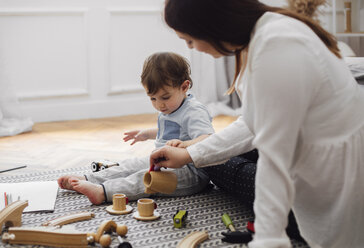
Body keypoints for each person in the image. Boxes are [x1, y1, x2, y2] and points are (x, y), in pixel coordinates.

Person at [150, 1, 364, 248]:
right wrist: (190, 153)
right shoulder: (266, 33)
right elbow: (253, 123)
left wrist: (267, 238)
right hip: (321, 155)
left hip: (337, 173)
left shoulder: (276, 46)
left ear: (211, 24)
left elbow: (275, 160)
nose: (193, 48)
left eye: (189, 40)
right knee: (213, 160)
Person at [57, 52, 213, 204]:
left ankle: (103, 192)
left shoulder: (194, 111)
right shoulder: (171, 106)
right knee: (130, 165)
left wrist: (185, 145)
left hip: (190, 172)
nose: (159, 104)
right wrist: (147, 134)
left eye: (165, 97)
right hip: (162, 160)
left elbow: (208, 138)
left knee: (144, 178)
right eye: (153, 98)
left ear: (184, 87)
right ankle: (88, 179)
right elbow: (173, 132)